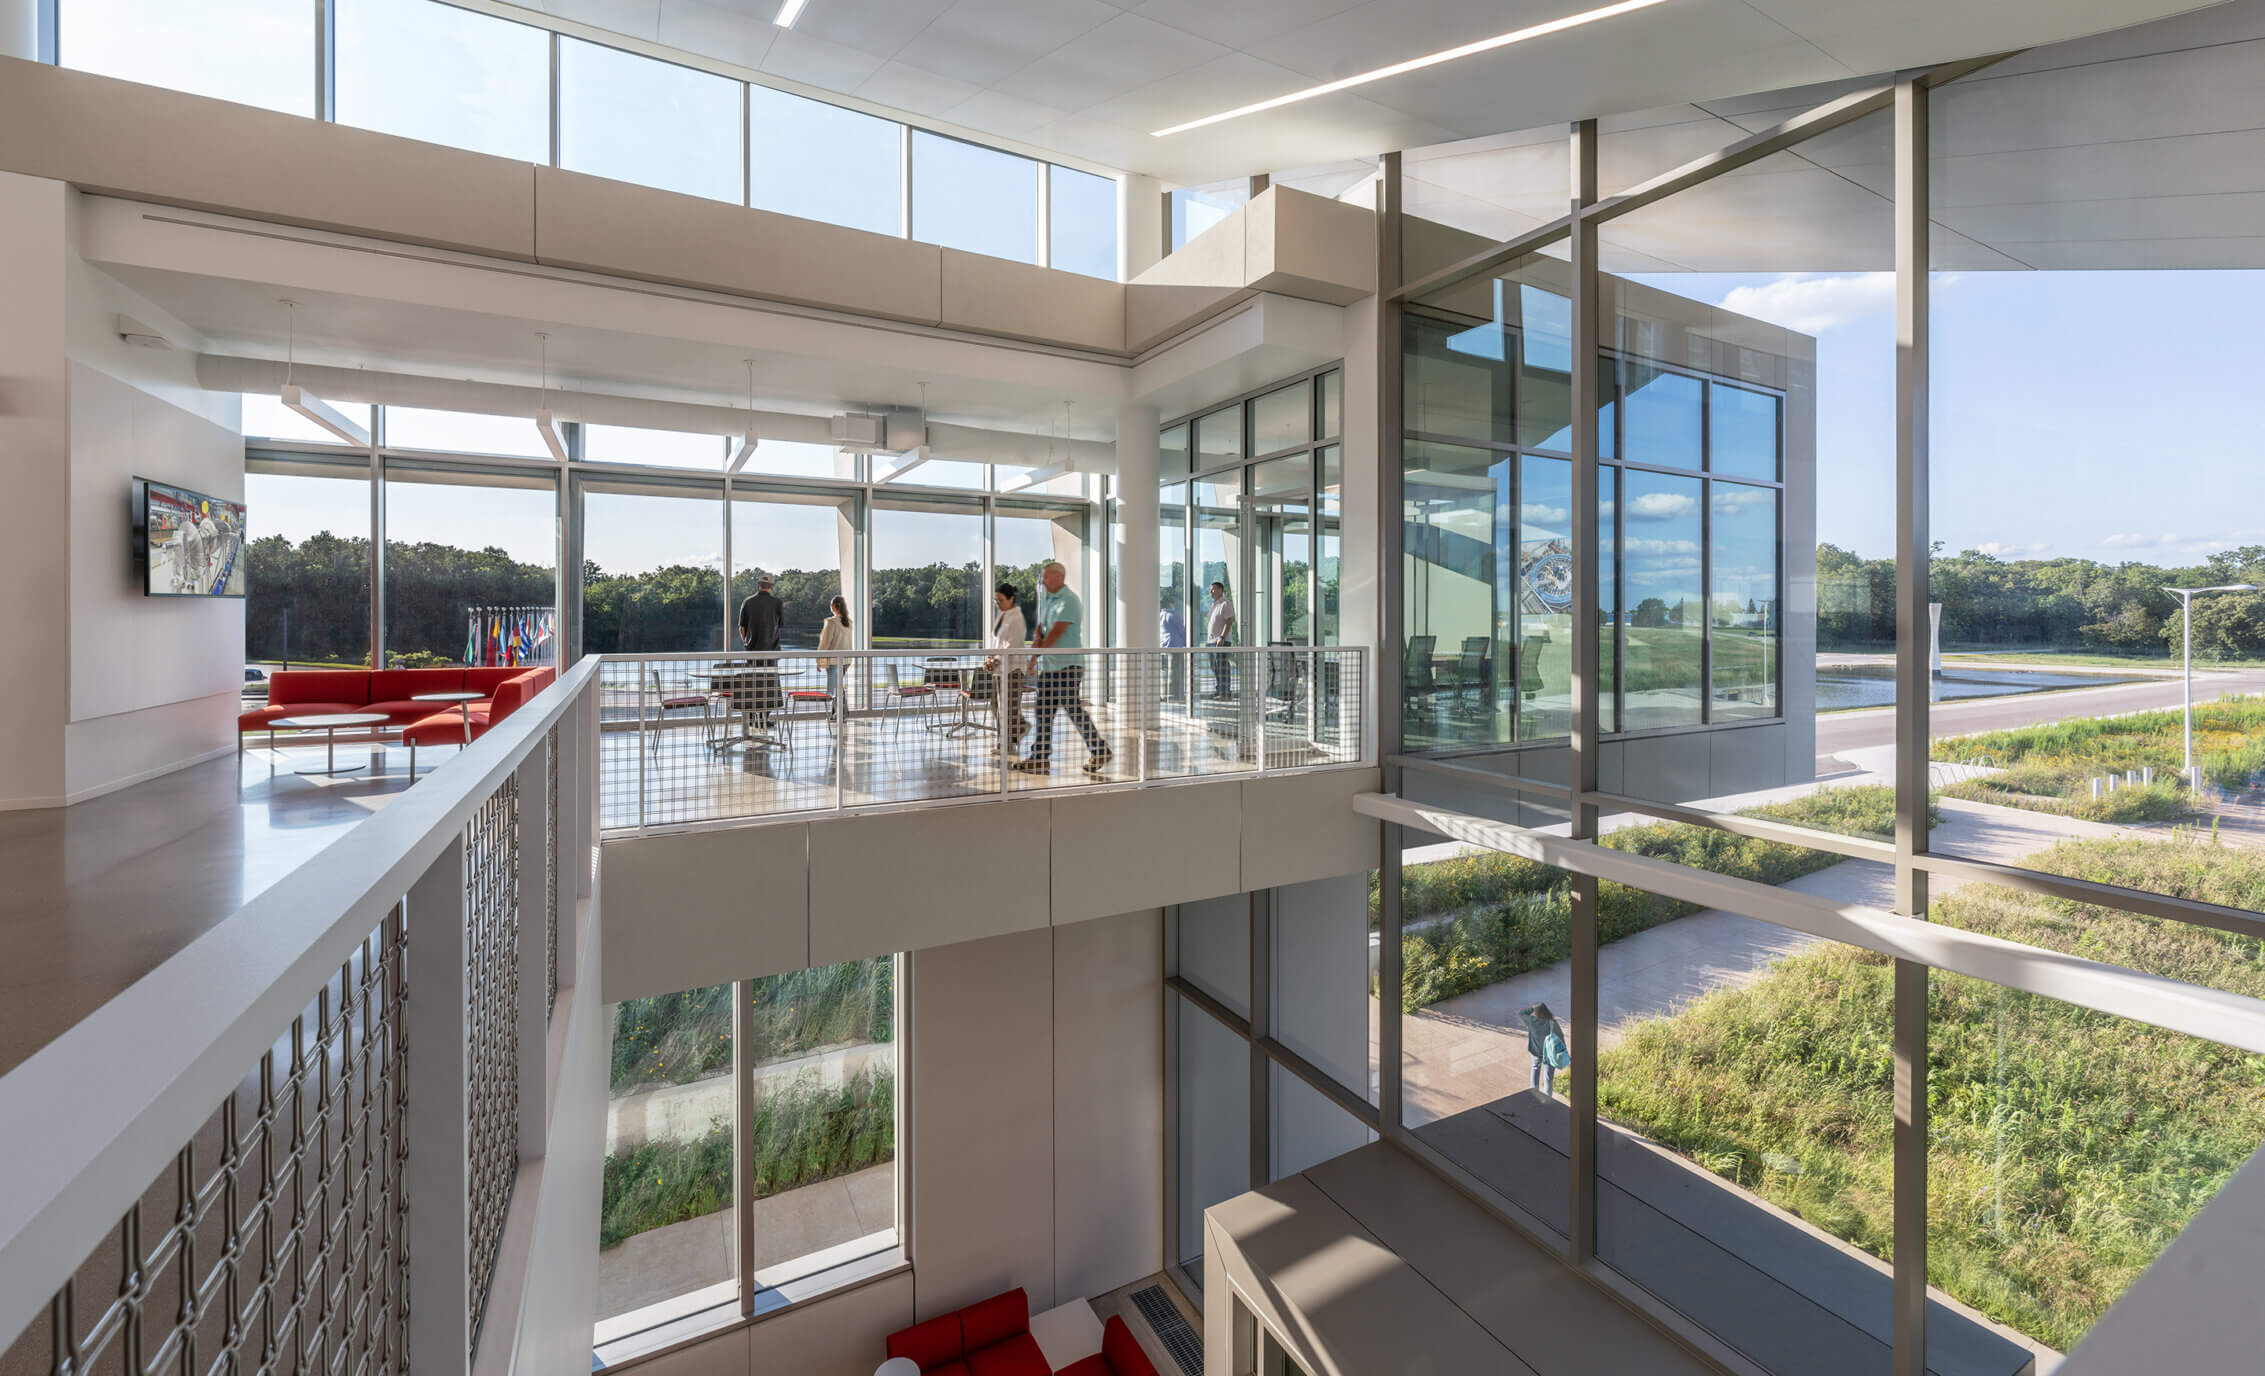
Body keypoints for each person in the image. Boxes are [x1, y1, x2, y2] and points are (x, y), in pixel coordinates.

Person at [1014, 561, 1110, 775]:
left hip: (1067, 667)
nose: (1043, 580)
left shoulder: (1070, 601)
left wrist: (1035, 653)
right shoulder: (1047, 599)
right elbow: (1041, 631)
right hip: (1049, 668)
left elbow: (1054, 636)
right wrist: (1034, 657)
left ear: (1059, 577)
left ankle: (1100, 750)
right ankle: (1039, 758)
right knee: (1043, 714)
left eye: (1046, 576)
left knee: (1073, 710)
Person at [982, 582, 1030, 744]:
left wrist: (995, 660)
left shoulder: (1017, 618)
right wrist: (989, 659)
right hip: (999, 668)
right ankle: (1020, 728)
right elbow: (996, 641)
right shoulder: (1001, 616)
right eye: (996, 601)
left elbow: (1011, 646)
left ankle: (1005, 744)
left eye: (1001, 600)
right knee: (996, 706)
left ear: (1011, 599)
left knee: (1007, 709)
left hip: (1013, 669)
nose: (998, 604)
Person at [1521, 1001, 1567, 1099]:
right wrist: (1563, 1050)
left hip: (1536, 1052)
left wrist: (1532, 1008)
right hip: (1550, 1055)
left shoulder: (1531, 1021)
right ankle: (1547, 1099)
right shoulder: (1552, 1023)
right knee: (1548, 1078)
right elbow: (1560, 1037)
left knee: (1535, 1069)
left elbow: (1521, 1013)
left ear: (1535, 1012)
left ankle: (1534, 1095)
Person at [1205, 581, 1237, 699]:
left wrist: (1222, 637)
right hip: (1211, 642)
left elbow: (1229, 621)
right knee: (1215, 667)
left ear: (1220, 590)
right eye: (1210, 589)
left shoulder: (1225, 603)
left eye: (1213, 589)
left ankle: (1225, 693)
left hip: (1221, 641)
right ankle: (1219, 690)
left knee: (1223, 667)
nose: (1211, 592)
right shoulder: (1213, 605)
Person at [817, 595, 852, 699]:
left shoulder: (831, 622)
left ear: (832, 607)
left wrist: (819, 661)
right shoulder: (849, 623)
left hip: (833, 661)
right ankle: (838, 714)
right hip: (846, 660)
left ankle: (835, 714)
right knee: (838, 689)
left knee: (831, 691)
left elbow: (825, 643)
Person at [737, 575, 783, 653]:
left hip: (752, 651)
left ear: (758, 585)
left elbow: (741, 628)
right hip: (772, 651)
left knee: (752, 666)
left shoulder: (747, 602)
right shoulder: (778, 603)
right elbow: (779, 625)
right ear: (772, 587)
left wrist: (746, 643)